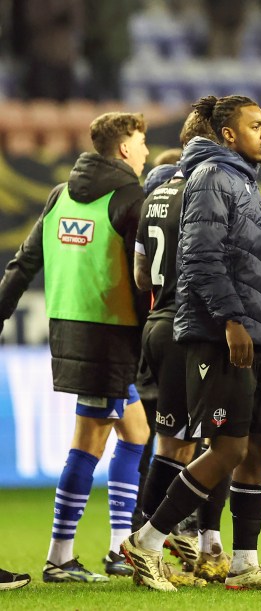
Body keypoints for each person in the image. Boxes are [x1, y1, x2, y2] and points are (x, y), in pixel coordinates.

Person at [121, 95, 261, 592]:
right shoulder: (209, 177)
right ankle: (149, 541)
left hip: (255, 333)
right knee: (225, 448)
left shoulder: (242, 178)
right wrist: (229, 320)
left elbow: (254, 269)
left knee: (259, 445)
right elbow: (200, 258)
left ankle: (245, 562)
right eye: (255, 126)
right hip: (218, 336)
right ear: (228, 133)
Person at [0, 112, 151, 583]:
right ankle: (59, 557)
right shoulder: (131, 197)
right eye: (142, 141)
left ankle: (119, 549)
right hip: (111, 337)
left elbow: (23, 264)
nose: (146, 151)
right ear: (125, 147)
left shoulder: (59, 196)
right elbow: (142, 278)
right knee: (89, 440)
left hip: (72, 331)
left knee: (136, 431)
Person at [134, 108, 233, 584]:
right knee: (202, 441)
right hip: (188, 330)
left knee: (175, 442)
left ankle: (156, 545)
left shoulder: (155, 195)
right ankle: (146, 547)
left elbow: (139, 273)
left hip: (156, 322)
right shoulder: (205, 193)